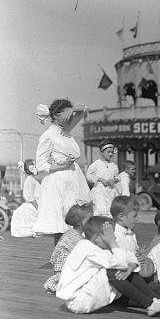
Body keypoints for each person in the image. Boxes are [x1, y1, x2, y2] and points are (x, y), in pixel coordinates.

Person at [56, 216, 160, 315]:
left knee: (125, 273)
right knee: (113, 271)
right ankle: (151, 304)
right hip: (79, 300)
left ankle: (157, 299)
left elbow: (128, 256)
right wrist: (112, 243)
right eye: (111, 236)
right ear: (97, 238)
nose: (114, 239)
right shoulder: (86, 247)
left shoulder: (99, 247)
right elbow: (118, 262)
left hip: (90, 293)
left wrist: (131, 266)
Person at [33, 100, 92, 244]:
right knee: (61, 224)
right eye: (67, 115)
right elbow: (40, 164)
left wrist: (72, 109)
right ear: (56, 116)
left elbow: (84, 108)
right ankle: (60, 254)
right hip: (59, 181)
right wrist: (62, 166)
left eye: (71, 114)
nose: (71, 117)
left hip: (74, 178)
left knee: (76, 222)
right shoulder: (48, 135)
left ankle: (73, 254)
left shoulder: (65, 131)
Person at [44, 203, 94, 294]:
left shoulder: (73, 233)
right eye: (90, 220)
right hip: (63, 268)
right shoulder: (74, 237)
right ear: (78, 222)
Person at [86, 140, 120, 216]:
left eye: (112, 152)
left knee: (111, 212)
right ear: (102, 152)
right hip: (100, 192)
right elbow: (89, 175)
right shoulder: (96, 164)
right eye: (108, 152)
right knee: (100, 210)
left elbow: (118, 176)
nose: (111, 154)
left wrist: (114, 180)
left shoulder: (114, 165)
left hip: (111, 192)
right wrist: (100, 179)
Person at [10, 159, 41, 238]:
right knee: (19, 214)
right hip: (35, 204)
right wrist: (39, 209)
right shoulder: (30, 179)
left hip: (37, 203)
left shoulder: (33, 179)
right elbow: (30, 197)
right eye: (34, 165)